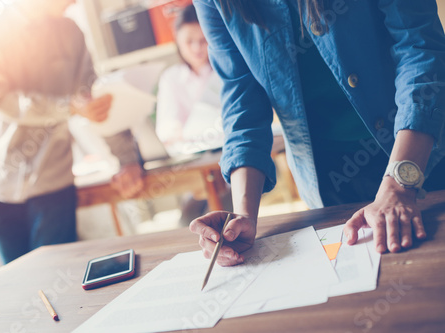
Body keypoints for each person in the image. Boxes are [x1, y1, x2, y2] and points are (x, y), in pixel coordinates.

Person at [189, 0, 445, 266]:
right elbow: (242, 99)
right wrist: (242, 216)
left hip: (422, 156)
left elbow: (420, 50)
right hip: (327, 184)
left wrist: (399, 185)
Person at [0, 0, 113, 264]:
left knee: (58, 277)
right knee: (19, 285)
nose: (75, 3)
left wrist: (124, 157)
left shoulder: (71, 32)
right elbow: (3, 101)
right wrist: (67, 106)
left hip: (53, 180)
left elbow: (92, 95)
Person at [155, 4, 231, 225]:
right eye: (189, 41)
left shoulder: (226, 69)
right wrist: (175, 131)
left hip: (227, 158)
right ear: (177, 40)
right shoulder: (171, 78)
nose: (197, 48)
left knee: (222, 216)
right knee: (187, 220)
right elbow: (168, 125)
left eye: (204, 40)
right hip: (195, 162)